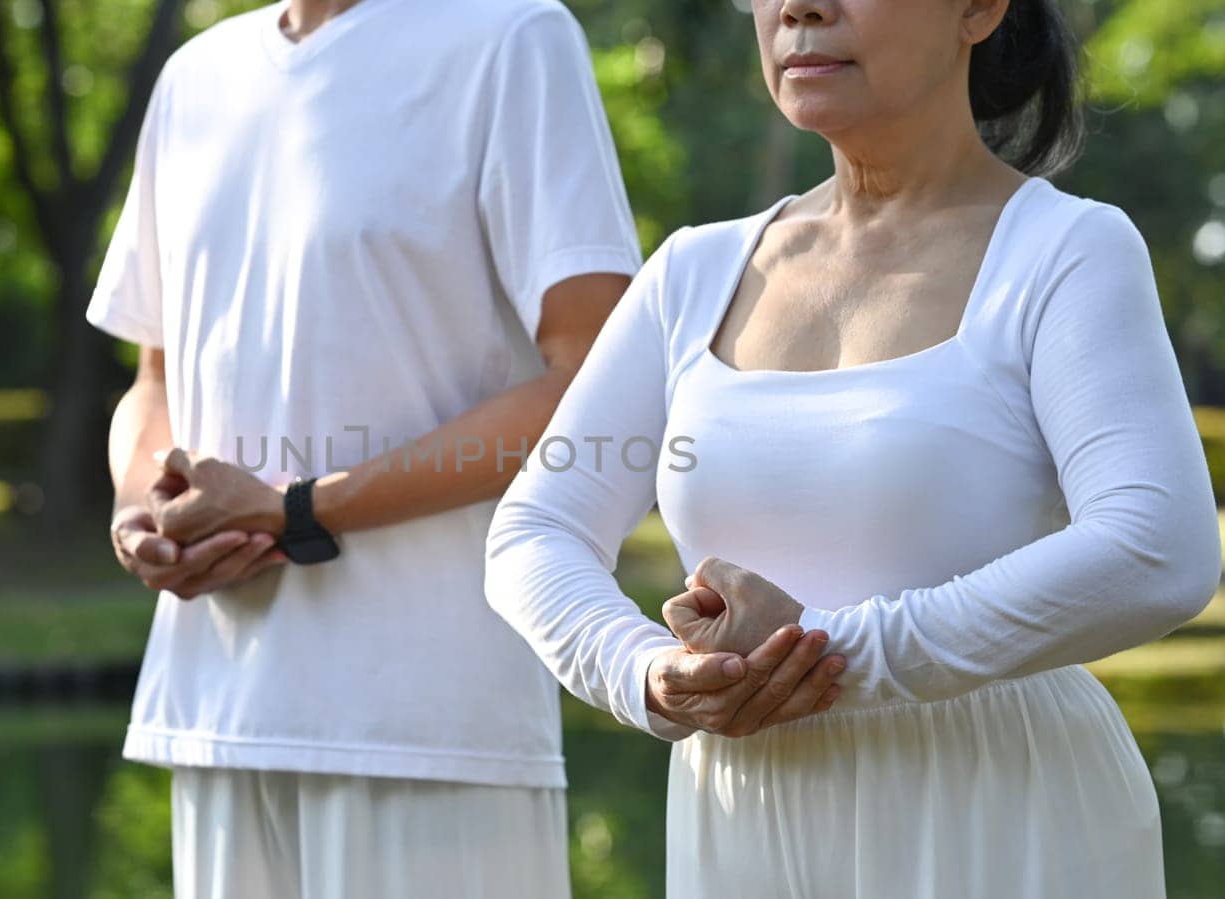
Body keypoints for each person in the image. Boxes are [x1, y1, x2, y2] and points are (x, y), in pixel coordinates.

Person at [87, 1, 843, 896]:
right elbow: (156, 376)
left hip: (429, 718)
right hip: (214, 706)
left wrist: (301, 508)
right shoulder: (194, 78)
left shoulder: (512, 39)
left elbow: (591, 383)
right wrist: (145, 507)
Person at [482, 0, 1224, 896]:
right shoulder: (690, 272)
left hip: (997, 813)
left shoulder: (1067, 251)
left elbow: (1158, 547)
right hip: (744, 821)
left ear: (980, 9)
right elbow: (535, 526)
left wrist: (831, 656)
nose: (798, 7)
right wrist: (647, 670)